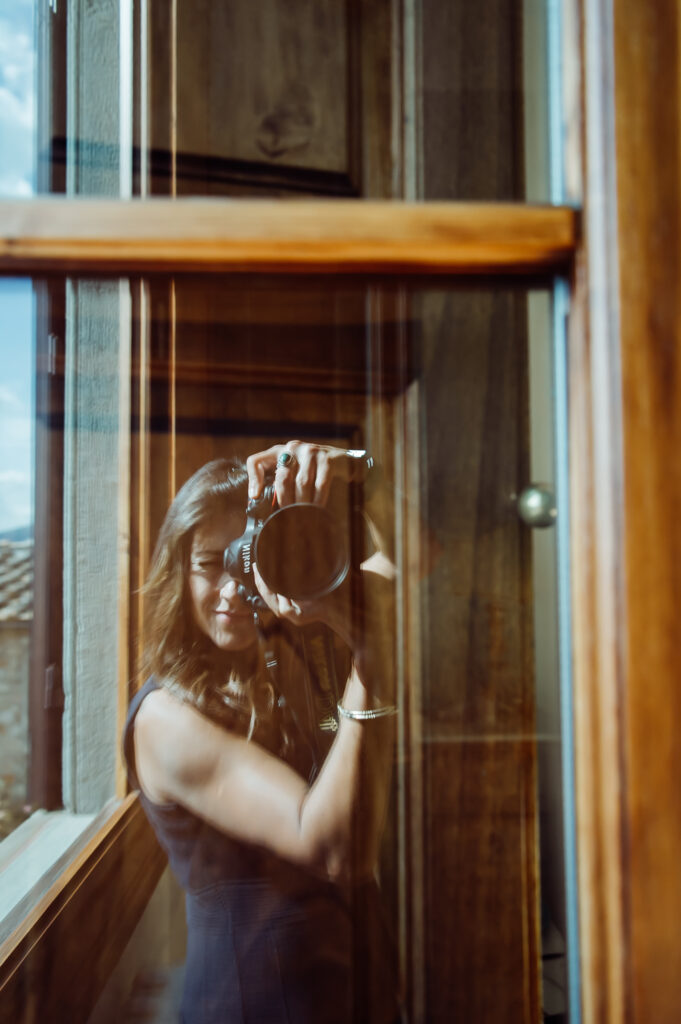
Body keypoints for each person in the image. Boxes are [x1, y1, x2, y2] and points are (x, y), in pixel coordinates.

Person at [123, 441, 401, 1023]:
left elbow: (412, 558)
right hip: (259, 1004)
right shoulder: (164, 720)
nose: (233, 588)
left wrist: (362, 472)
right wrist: (373, 662)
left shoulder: (296, 643)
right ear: (178, 568)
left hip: (354, 988)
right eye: (210, 563)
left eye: (247, 558)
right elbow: (332, 848)